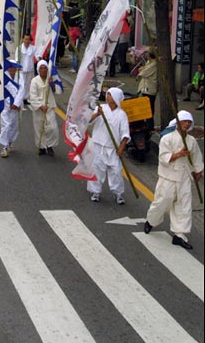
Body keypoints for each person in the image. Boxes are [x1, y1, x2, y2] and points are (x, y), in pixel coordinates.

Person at [144, 111, 203, 250]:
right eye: (184, 121)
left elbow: (196, 158)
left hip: (184, 178)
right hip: (168, 177)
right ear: (178, 122)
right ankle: (151, 221)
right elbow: (164, 158)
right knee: (162, 202)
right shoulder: (167, 139)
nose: (187, 124)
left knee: (184, 206)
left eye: (189, 122)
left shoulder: (192, 141)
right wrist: (179, 154)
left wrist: (198, 171)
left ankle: (179, 234)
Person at [86, 87, 130, 205]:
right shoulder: (101, 109)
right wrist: (96, 114)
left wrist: (121, 147)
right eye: (107, 94)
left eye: (110, 95)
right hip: (98, 145)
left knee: (116, 171)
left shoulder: (122, 115)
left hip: (113, 148)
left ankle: (118, 193)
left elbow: (125, 133)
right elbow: (88, 121)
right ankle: (95, 191)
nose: (107, 96)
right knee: (97, 169)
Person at [29, 59, 60, 156]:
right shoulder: (34, 81)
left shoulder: (50, 79)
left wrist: (52, 84)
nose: (43, 70)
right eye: (41, 68)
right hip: (39, 108)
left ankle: (50, 146)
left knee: (52, 127)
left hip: (49, 106)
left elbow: (57, 91)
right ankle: (41, 147)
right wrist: (40, 106)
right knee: (39, 128)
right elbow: (33, 96)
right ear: (38, 70)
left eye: (45, 68)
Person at [0, 60, 25, 157]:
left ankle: (10, 142)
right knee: (6, 125)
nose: (12, 69)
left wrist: (16, 103)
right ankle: (4, 146)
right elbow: (2, 92)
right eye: (10, 67)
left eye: (14, 67)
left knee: (15, 126)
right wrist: (10, 104)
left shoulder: (20, 76)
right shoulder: (3, 77)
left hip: (17, 106)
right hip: (6, 106)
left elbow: (22, 90)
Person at [15, 34, 41, 105]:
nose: (27, 41)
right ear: (23, 39)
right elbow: (17, 58)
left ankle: (26, 98)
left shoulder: (33, 48)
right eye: (25, 39)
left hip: (30, 69)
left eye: (28, 39)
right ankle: (20, 98)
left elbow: (37, 56)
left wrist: (40, 59)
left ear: (30, 40)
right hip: (21, 70)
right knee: (22, 85)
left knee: (28, 85)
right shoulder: (19, 48)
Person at [136, 49, 158, 129]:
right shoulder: (149, 62)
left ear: (149, 55)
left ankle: (150, 125)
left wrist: (141, 70)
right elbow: (143, 69)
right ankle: (147, 123)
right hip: (145, 88)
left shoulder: (154, 64)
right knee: (145, 106)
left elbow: (144, 72)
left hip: (150, 88)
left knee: (150, 107)